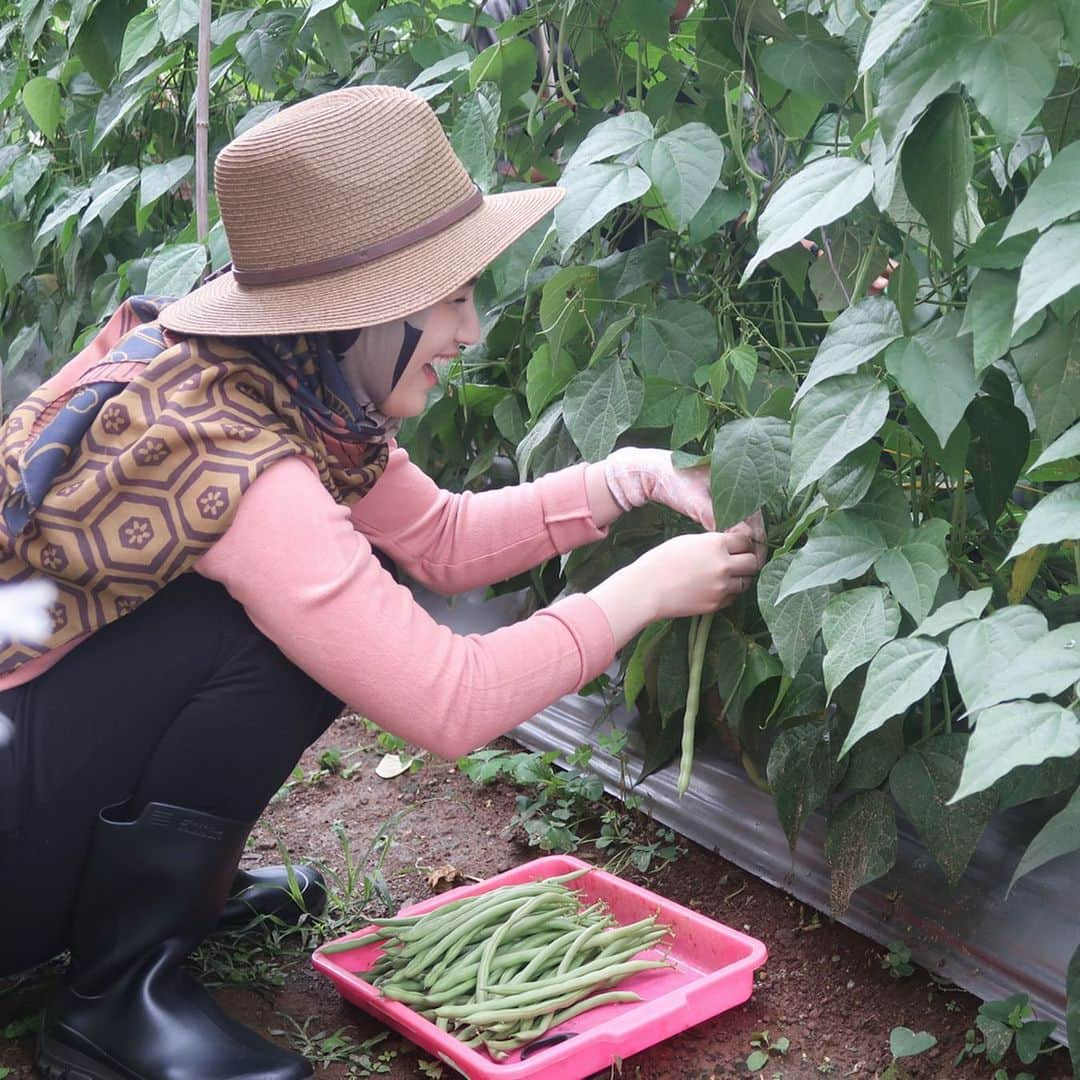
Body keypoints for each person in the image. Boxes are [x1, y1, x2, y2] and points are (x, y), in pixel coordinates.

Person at [0, 86, 766, 1080]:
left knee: (259, 617)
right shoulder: (245, 460)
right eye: (451, 298)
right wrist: (640, 594)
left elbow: (439, 539)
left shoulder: (258, 378)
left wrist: (631, 478)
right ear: (361, 307)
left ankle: (154, 894)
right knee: (266, 644)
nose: (473, 329)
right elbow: (449, 703)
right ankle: (114, 998)